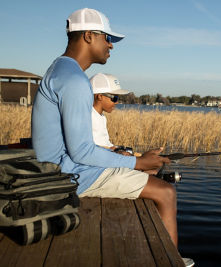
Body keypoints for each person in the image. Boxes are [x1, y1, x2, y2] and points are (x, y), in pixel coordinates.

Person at [31, 8, 193, 266]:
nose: (110, 45)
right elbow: (82, 152)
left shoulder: (61, 70)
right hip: (67, 176)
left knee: (150, 175)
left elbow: (79, 146)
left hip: (61, 168)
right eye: (107, 38)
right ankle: (169, 261)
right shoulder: (74, 80)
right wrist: (138, 163)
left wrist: (135, 163)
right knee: (166, 193)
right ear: (88, 36)